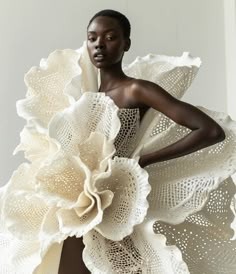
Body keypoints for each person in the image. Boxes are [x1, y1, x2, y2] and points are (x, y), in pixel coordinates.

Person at [1, 8, 236, 274]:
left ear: (126, 43)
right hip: (79, 204)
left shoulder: (136, 89)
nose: (99, 44)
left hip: (119, 202)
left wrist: (146, 159)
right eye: (92, 38)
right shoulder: (85, 94)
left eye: (110, 37)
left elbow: (209, 130)